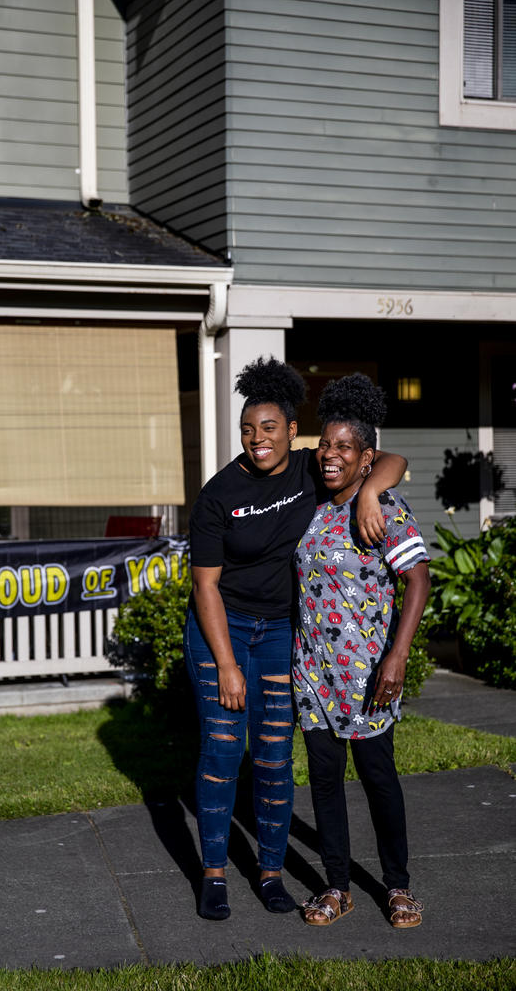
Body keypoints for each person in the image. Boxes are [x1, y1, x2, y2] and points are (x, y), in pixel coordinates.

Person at [184, 357, 407, 921]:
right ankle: (213, 874)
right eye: (247, 429)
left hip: (282, 630)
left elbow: (394, 459)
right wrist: (228, 665)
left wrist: (369, 494)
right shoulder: (219, 494)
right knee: (223, 749)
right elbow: (205, 587)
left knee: (275, 756)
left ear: (290, 431)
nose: (256, 439)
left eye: (267, 428)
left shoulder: (314, 466)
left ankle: (269, 872)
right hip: (224, 627)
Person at [292, 373, 430, 930]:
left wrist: (397, 657)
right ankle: (336, 886)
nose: (329, 454)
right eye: (325, 444)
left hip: (370, 673)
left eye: (343, 447)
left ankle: (397, 887)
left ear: (365, 457)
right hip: (313, 673)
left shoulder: (385, 509)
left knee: (378, 779)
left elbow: (418, 581)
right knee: (324, 781)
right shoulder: (312, 504)